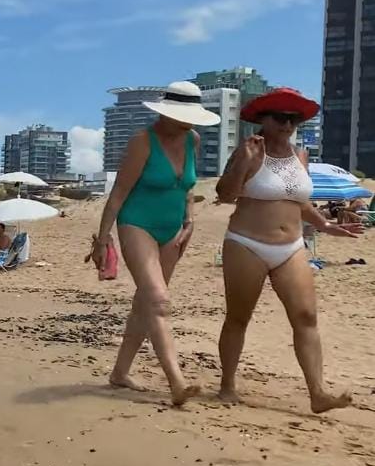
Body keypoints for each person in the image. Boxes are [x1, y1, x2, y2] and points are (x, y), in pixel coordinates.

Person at [213, 88, 357, 413]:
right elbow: (225, 195)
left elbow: (300, 202)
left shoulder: (300, 156)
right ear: (263, 119)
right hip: (246, 243)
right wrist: (243, 165)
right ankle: (227, 386)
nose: (287, 124)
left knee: (306, 316)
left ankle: (318, 392)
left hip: (291, 246)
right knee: (238, 317)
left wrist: (326, 225)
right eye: (280, 117)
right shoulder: (249, 151)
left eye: (293, 119)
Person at [91, 81, 217, 406]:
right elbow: (118, 194)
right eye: (183, 115)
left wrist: (190, 219)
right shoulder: (142, 143)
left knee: (144, 303)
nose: (189, 122)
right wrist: (103, 240)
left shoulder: (193, 139)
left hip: (172, 229)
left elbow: (188, 186)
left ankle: (119, 373)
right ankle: (177, 383)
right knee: (159, 300)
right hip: (137, 224)